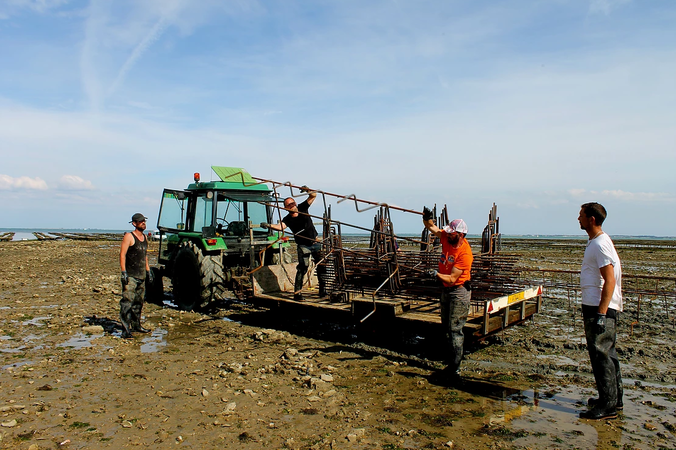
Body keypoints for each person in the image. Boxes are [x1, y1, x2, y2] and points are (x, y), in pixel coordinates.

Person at [578, 202, 623, 420]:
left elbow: (610, 279)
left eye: (581, 215)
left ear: (591, 219)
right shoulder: (597, 242)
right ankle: (614, 399)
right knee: (608, 353)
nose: (578, 219)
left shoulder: (600, 245)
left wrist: (601, 314)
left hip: (599, 307)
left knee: (601, 354)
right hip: (598, 305)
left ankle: (607, 406)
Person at [422, 207, 473, 382]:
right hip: (446, 290)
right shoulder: (447, 237)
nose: (447, 235)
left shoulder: (465, 254)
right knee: (446, 327)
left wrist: (435, 274)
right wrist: (427, 217)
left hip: (458, 291)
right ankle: (450, 361)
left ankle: (455, 369)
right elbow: (432, 227)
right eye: (448, 233)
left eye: (451, 234)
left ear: (461, 235)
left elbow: (452, 278)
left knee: (455, 330)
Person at [262, 187, 327, 301]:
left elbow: (313, 195)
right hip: (303, 246)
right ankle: (297, 294)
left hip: (315, 242)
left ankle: (323, 291)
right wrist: (269, 225)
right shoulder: (288, 219)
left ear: (295, 203)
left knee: (321, 266)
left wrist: (307, 189)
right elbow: (280, 227)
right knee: (302, 269)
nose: (292, 206)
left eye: (292, 203)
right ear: (286, 208)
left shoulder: (303, 207)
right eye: (289, 205)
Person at [119, 213, 152, 338]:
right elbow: (122, 254)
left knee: (139, 302)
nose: (143, 223)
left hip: (141, 275)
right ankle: (125, 329)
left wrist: (148, 271)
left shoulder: (145, 237)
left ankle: (136, 325)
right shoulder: (129, 236)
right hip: (131, 276)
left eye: (144, 221)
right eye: (140, 221)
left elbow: (145, 256)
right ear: (134, 223)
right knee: (127, 302)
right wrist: (123, 272)